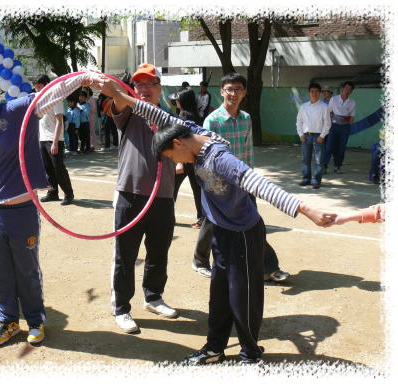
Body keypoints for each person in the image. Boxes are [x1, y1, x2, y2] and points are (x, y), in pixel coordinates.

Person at [93, 83, 334, 363]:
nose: (177, 164)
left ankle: (251, 354)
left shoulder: (219, 158)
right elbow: (156, 115)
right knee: (219, 295)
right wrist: (118, 94)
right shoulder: (188, 133)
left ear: (178, 144)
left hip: (243, 232)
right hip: (222, 229)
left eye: (172, 157)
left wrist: (305, 209)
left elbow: (257, 183)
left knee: (242, 298)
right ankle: (214, 348)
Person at [0, 71, 101, 346]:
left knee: (27, 270)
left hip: (23, 211)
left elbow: (50, 94)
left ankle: (36, 321)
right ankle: (8, 321)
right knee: (0, 272)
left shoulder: (16, 111)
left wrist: (82, 78)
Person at [92, 64, 178, 334]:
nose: (144, 89)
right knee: (125, 255)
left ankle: (153, 297)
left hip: (163, 196)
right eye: (139, 84)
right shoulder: (127, 112)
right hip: (130, 194)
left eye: (150, 83)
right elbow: (118, 97)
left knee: (158, 253)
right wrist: (109, 86)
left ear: (160, 88)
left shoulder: (169, 117)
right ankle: (122, 307)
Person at [195, 72, 290, 282]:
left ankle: (269, 267)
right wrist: (213, 185)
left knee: (253, 223)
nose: (234, 93)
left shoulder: (246, 119)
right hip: (220, 183)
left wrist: (251, 181)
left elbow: (248, 152)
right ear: (222, 92)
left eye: (238, 89)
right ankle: (200, 261)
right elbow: (207, 154)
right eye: (229, 89)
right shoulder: (212, 121)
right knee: (212, 223)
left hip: (243, 181)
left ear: (244, 93)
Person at [33, 74, 74, 205]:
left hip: (54, 139)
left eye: (39, 88)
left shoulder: (56, 98)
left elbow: (59, 121)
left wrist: (55, 142)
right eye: (36, 88)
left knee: (58, 167)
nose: (37, 91)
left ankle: (68, 193)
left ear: (47, 85)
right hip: (43, 138)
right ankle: (53, 192)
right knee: (47, 168)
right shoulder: (39, 100)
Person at [168, 87, 204, 229]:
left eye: (177, 98)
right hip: (196, 159)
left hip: (185, 160)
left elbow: (183, 142)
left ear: (182, 100)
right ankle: (202, 219)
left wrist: (180, 163)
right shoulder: (196, 115)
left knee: (172, 188)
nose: (175, 100)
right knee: (198, 189)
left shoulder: (184, 117)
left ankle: (169, 217)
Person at [296, 82, 331, 189]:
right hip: (306, 137)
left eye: (316, 91)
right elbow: (299, 121)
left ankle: (316, 181)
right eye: (312, 91)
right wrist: (301, 134)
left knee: (318, 161)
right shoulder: (304, 107)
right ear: (309, 93)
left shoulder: (324, 107)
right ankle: (306, 179)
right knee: (305, 160)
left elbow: (327, 123)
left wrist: (322, 136)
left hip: (318, 137)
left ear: (320, 93)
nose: (314, 93)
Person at [323, 81, 356, 174]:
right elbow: (329, 112)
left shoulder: (352, 102)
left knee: (341, 147)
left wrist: (349, 126)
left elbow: (352, 116)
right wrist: (329, 125)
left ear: (351, 92)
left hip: (345, 127)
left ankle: (337, 166)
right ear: (342, 89)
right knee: (329, 146)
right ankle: (324, 166)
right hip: (334, 125)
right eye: (346, 88)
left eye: (350, 90)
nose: (347, 91)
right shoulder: (334, 99)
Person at [83, 86, 97, 151]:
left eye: (84, 91)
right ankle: (87, 145)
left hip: (91, 118)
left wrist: (88, 106)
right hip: (84, 118)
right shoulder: (84, 99)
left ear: (88, 91)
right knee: (86, 132)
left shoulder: (92, 99)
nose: (83, 92)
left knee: (92, 131)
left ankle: (93, 146)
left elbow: (94, 110)